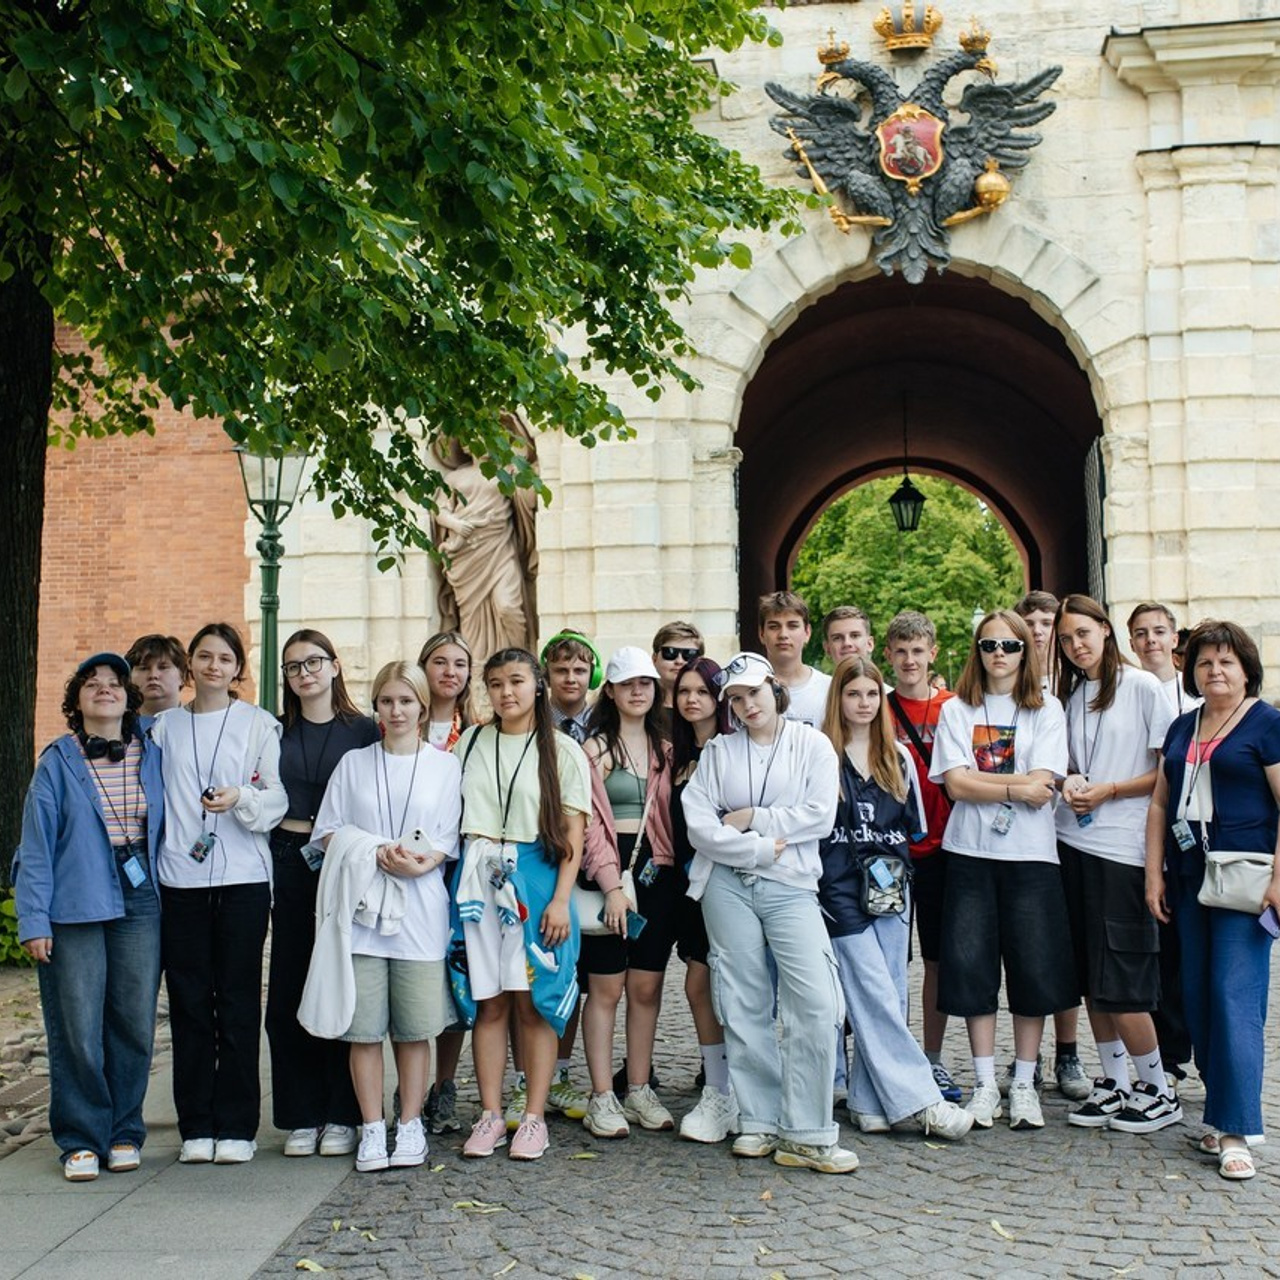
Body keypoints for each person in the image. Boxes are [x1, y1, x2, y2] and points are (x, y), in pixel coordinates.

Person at [682, 651, 856, 1174]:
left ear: (773, 689)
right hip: (727, 886)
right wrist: (759, 846)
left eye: (753, 693)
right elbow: (700, 824)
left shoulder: (813, 744)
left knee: (817, 1002)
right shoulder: (718, 750)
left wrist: (753, 817)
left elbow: (819, 816)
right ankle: (758, 1119)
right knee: (741, 999)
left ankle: (807, 1130)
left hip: (792, 886)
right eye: (735, 698)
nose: (745, 705)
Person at [304, 661, 461, 1173]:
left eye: (406, 701)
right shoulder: (354, 764)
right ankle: (373, 1126)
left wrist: (425, 860)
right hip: (365, 911)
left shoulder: (444, 766)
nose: (396, 711)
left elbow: (450, 834)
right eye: (387, 701)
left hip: (420, 911)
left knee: (415, 1029)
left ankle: (410, 1122)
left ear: (421, 706)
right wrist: (371, 850)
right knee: (365, 1029)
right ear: (377, 706)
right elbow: (327, 832)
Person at [13, 653, 163, 1182]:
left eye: (114, 683)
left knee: (133, 1019)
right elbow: (34, 848)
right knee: (77, 1024)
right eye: (92, 683)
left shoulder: (154, 750)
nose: (105, 689)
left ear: (129, 697)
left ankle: (124, 1130)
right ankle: (80, 1137)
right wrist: (33, 919)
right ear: (76, 700)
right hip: (75, 900)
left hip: (140, 898)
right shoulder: (57, 760)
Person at [1145, 620, 1280, 1181]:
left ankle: (1236, 1130)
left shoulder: (1267, 723)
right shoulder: (1183, 726)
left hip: (1247, 880)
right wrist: (1154, 874)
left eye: (1225, 662)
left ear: (1246, 669)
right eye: (1204, 663)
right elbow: (1159, 804)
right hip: (1189, 876)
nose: (1215, 671)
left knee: (1233, 998)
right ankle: (1220, 1109)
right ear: (1192, 671)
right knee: (1197, 997)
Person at [930, 610, 1074, 1131]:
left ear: (1025, 652)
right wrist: (1013, 788)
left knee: (1034, 969)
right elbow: (956, 785)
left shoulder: (1047, 709)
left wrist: (989, 782)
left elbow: (1046, 782)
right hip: (970, 852)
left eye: (1010, 645)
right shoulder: (957, 709)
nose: (999, 654)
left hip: (1032, 856)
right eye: (989, 644)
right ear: (977, 650)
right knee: (972, 968)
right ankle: (986, 1082)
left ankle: (1024, 1083)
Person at [818, 657, 973, 1141]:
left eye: (870, 695)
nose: (863, 704)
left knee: (889, 991)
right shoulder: (820, 755)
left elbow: (913, 829)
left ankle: (867, 1101)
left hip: (889, 889)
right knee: (872, 993)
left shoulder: (898, 758)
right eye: (852, 694)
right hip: (838, 889)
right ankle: (921, 1098)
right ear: (837, 699)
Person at [150, 623, 288, 1164]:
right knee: (187, 1003)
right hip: (180, 879)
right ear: (191, 665)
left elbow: (277, 797)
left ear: (238, 667)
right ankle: (195, 1126)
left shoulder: (258, 724)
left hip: (243, 879)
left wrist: (241, 798)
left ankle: (236, 1126)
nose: (213, 666)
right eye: (204, 656)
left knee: (234, 1001)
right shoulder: (164, 727)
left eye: (224, 658)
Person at [454, 648, 590, 1161]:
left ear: (537, 685)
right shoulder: (470, 744)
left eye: (515, 681)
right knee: (490, 1003)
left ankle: (533, 1117)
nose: (505, 692)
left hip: (535, 880)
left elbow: (573, 832)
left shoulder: (562, 750)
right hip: (478, 880)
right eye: (494, 684)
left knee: (533, 1003)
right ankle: (490, 1113)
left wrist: (560, 900)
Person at [1052, 596, 1178, 1133]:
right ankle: (1114, 1082)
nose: (1075, 645)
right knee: (1091, 978)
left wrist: (1108, 790)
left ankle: (1158, 1088)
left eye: (1083, 633)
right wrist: (1074, 783)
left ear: (1106, 631)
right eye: (1065, 638)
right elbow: (1075, 765)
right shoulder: (1075, 696)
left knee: (1123, 977)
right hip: (1074, 843)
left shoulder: (1144, 688)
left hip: (1124, 850)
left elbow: (1168, 773)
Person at [268, 630, 379, 1158]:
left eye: (314, 662)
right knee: (290, 983)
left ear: (335, 667)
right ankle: (300, 1114)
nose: (305, 672)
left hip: (345, 862)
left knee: (342, 979)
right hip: (290, 858)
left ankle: (343, 1112)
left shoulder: (365, 731)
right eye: (293, 667)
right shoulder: (274, 731)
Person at [579, 648, 677, 1139]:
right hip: (606, 872)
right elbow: (588, 825)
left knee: (646, 987)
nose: (638, 691)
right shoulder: (593, 750)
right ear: (611, 691)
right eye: (627, 683)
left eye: (645, 682)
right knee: (605, 987)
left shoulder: (667, 747)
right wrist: (611, 883)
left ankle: (638, 1085)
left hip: (656, 873)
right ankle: (601, 1095)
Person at [1013, 589, 1089, 1101]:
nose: (1040, 630)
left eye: (1048, 622)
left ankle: (1068, 1050)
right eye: (1032, 622)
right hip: (1029, 832)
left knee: (1062, 952)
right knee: (1027, 952)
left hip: (1078, 832)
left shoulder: (1076, 681)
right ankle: (1028, 1059)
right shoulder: (1009, 674)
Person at [882, 611, 960, 1101]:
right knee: (887, 959)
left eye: (918, 651)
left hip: (944, 849)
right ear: (887, 656)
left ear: (932, 654)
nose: (910, 660)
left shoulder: (954, 707)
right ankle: (887, 1056)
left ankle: (930, 1059)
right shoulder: (878, 707)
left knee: (936, 959)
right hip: (889, 851)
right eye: (901, 651)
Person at [670, 657, 738, 1143]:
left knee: (717, 984)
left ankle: (730, 1087)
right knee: (700, 985)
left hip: (730, 878)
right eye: (683, 691)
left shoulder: (735, 749)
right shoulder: (671, 752)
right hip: (685, 886)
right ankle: (719, 1086)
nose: (692, 699)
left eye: (702, 691)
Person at [431, 432, 539, 660]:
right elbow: (439, 510)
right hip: (467, 555)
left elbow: (529, 496)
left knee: (508, 607)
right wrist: (457, 525)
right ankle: (477, 673)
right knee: (471, 620)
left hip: (500, 549)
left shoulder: (506, 472)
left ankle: (519, 663)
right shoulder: (454, 478)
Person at [758, 591, 830, 728]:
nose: (783, 634)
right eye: (774, 627)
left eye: (792, 626)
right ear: (761, 634)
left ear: (807, 633)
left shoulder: (829, 689)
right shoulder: (747, 688)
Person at [1128, 602, 1201, 717]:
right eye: (1141, 634)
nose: (1150, 639)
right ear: (1132, 645)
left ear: (1174, 640)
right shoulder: (1124, 693)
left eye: (1159, 632)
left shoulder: (1197, 687)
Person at [541, 630, 602, 744]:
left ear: (593, 676)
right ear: (547, 675)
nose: (570, 679)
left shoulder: (605, 725)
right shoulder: (533, 723)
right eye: (561, 671)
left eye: (579, 671)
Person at [418, 630, 474, 751]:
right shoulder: (398, 723)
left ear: (469, 672)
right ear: (423, 667)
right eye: (440, 662)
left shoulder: (479, 731)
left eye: (459, 665)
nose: (450, 672)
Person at [125, 633, 188, 716]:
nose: (153, 675)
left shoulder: (201, 726)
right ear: (130, 677)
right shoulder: (115, 726)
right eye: (144, 668)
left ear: (182, 675)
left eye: (163, 667)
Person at [651, 621, 704, 712]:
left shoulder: (712, 706)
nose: (679, 661)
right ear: (654, 659)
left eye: (689, 655)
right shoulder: (640, 703)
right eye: (670, 653)